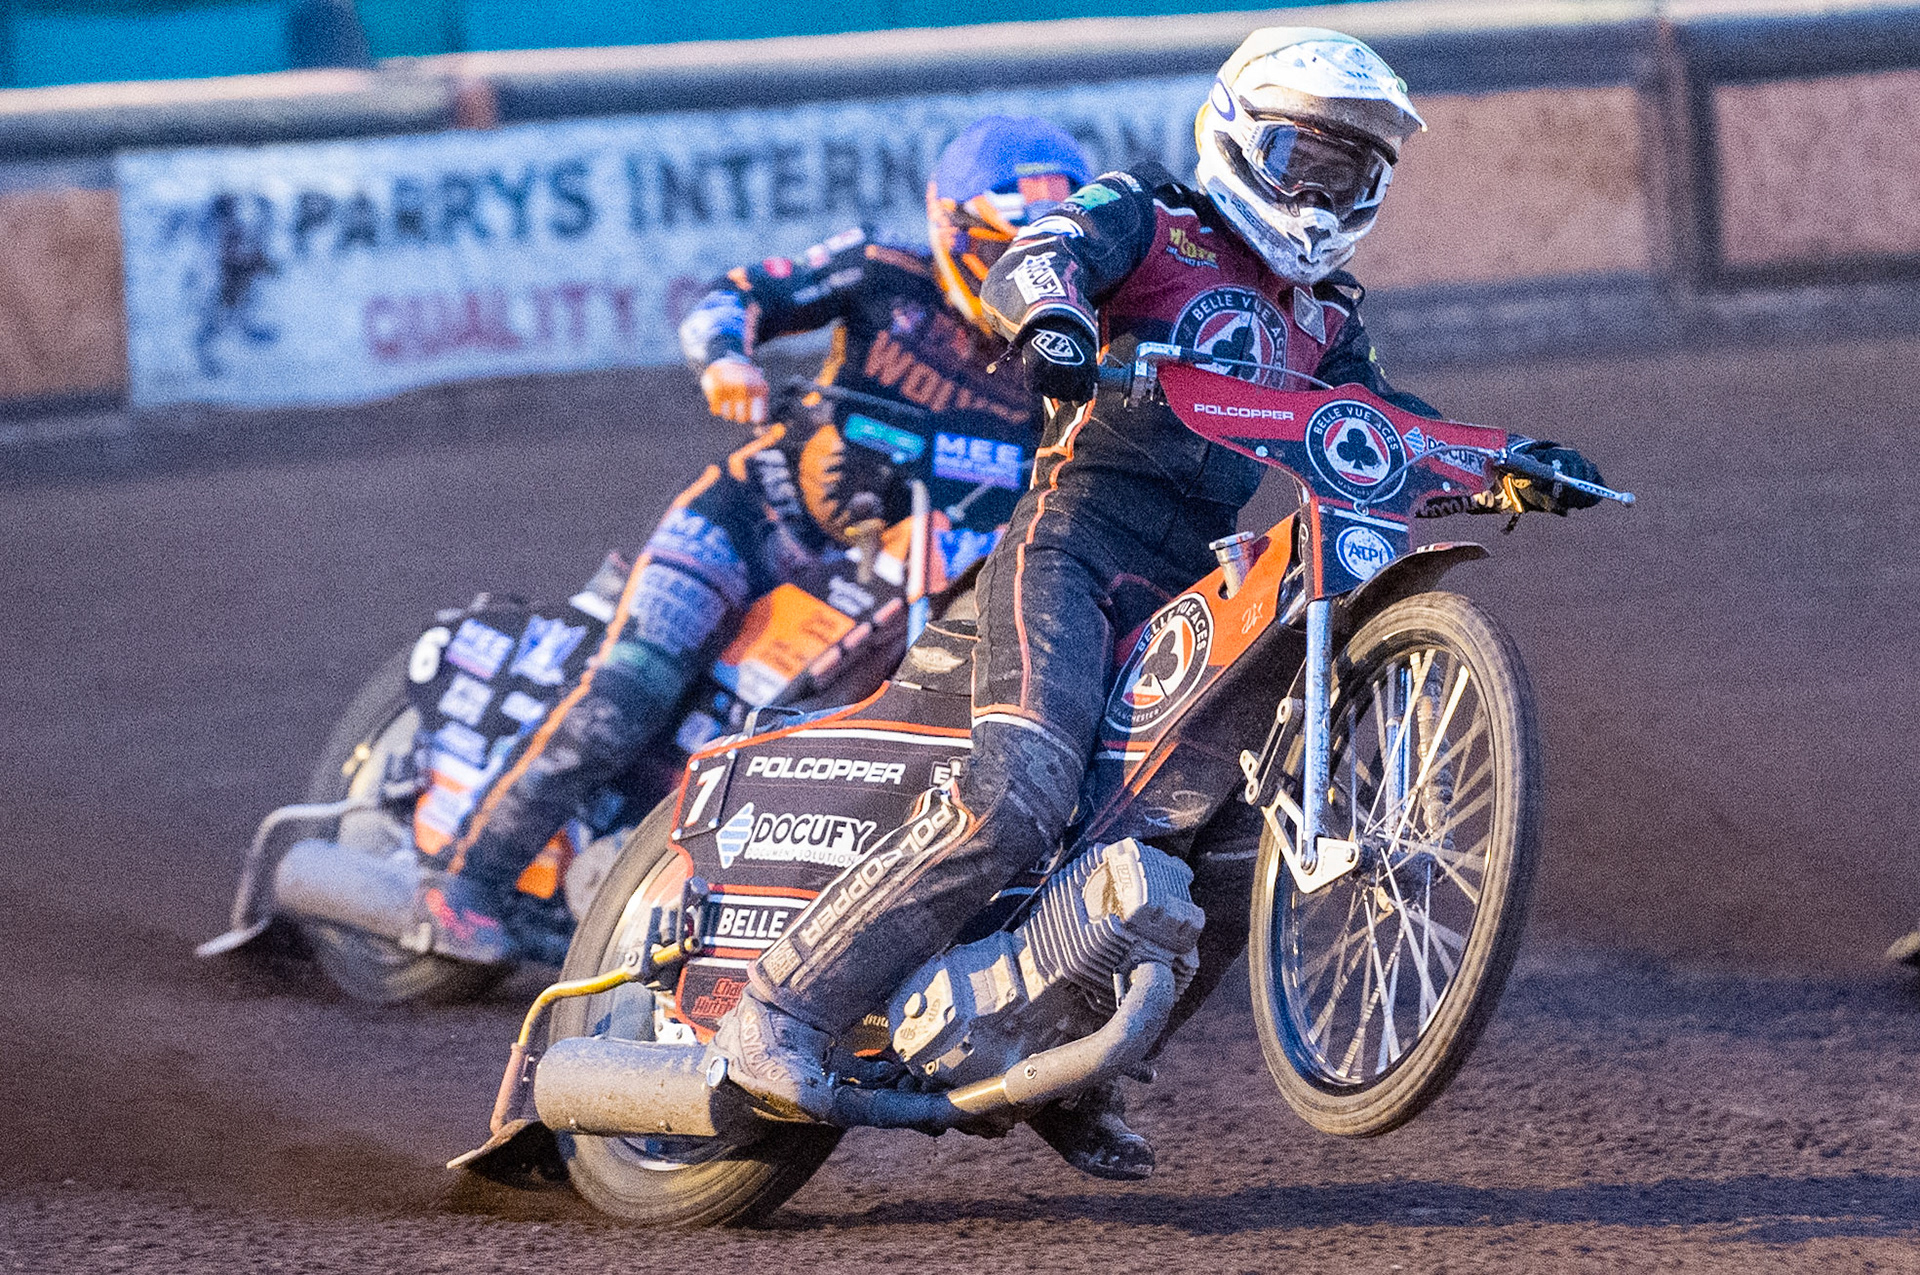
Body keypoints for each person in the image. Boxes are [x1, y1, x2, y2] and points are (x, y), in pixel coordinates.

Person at [708, 28, 1607, 1180]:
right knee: (1017, 798)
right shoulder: (1151, 214)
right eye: (1303, 158)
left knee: (1228, 850)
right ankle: (778, 1010)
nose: (1322, 192)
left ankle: (1082, 1072)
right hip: (1073, 541)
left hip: (1193, 575)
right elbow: (1036, 257)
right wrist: (1057, 320)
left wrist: (1505, 462)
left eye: (1352, 173)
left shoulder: (1326, 317)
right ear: (1237, 133)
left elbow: (1383, 426)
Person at [415, 117, 1091, 971]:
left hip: (893, 583)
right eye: (999, 252)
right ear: (953, 229)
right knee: (630, 692)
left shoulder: (1067, 361)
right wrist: (727, 362)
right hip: (752, 520)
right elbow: (735, 291)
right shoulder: (880, 273)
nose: (1017, 280)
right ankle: (462, 884)